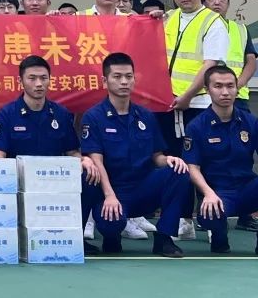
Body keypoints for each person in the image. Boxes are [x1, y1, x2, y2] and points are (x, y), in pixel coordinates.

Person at [183, 66, 258, 258]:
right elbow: (192, 168)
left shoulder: (251, 122)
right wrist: (208, 194)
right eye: (218, 86)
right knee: (209, 215)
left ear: (237, 88)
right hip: (218, 195)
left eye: (230, 86)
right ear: (207, 89)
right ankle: (219, 237)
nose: (225, 92)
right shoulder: (196, 126)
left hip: (248, 190)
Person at [0, 55, 101, 255]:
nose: (39, 84)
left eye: (43, 78)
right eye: (32, 78)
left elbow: (72, 151)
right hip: (20, 184)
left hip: (54, 182)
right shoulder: (7, 114)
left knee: (89, 175)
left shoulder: (60, 114)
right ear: (21, 81)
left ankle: (75, 236)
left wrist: (84, 160)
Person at [81, 53, 189, 257]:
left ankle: (164, 238)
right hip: (112, 192)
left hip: (142, 189)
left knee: (179, 171)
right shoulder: (94, 116)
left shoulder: (146, 116)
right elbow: (97, 161)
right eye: (117, 76)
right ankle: (112, 237)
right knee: (110, 220)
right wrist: (109, 196)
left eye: (128, 76)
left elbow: (157, 156)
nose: (124, 81)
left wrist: (168, 160)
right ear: (105, 81)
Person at [152, 0, 228, 240]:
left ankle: (212, 220)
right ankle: (183, 220)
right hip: (168, 105)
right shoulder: (168, 18)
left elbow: (210, 65)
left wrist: (187, 95)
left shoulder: (213, 22)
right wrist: (151, 19)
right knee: (175, 162)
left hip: (197, 105)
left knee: (204, 162)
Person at [203, 0, 258, 231]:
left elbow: (251, 63)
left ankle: (245, 213)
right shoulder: (199, 26)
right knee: (206, 156)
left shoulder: (240, 29)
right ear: (204, 2)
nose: (217, 3)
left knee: (242, 155)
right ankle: (207, 208)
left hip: (238, 100)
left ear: (228, 3)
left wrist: (234, 87)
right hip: (204, 98)